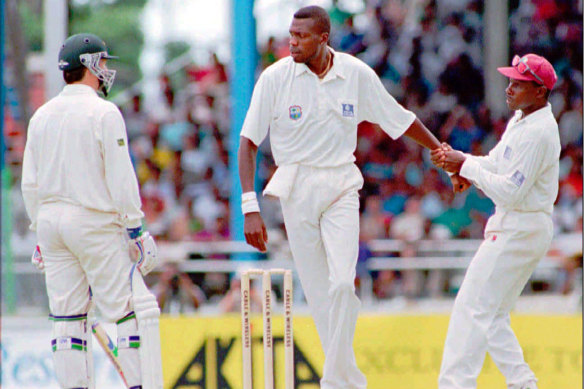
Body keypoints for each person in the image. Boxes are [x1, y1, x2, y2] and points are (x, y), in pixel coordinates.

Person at [237, 6, 461, 388]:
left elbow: (398, 117)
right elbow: (248, 143)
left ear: (323, 38)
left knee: (343, 284)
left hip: (341, 183)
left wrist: (440, 150)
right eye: (290, 34)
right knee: (319, 295)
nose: (292, 42)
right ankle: (347, 381)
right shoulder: (275, 77)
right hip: (295, 188)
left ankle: (335, 381)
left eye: (301, 36)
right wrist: (250, 207)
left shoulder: (354, 74)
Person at [22, 33, 163, 389]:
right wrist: (135, 230)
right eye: (101, 63)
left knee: (67, 317)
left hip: (51, 224)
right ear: (87, 65)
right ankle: (139, 384)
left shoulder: (41, 116)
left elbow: (30, 183)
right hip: (93, 222)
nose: (105, 71)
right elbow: (120, 175)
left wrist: (40, 229)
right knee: (132, 308)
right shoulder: (103, 112)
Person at [431, 53, 560, 389]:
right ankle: (522, 383)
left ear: (540, 92)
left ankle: (455, 385)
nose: (509, 88)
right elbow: (494, 163)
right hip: (519, 225)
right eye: (510, 80)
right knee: (491, 314)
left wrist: (465, 166)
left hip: (520, 225)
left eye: (519, 83)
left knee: (471, 307)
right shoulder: (522, 120)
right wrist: (461, 166)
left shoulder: (539, 132)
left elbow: (510, 193)